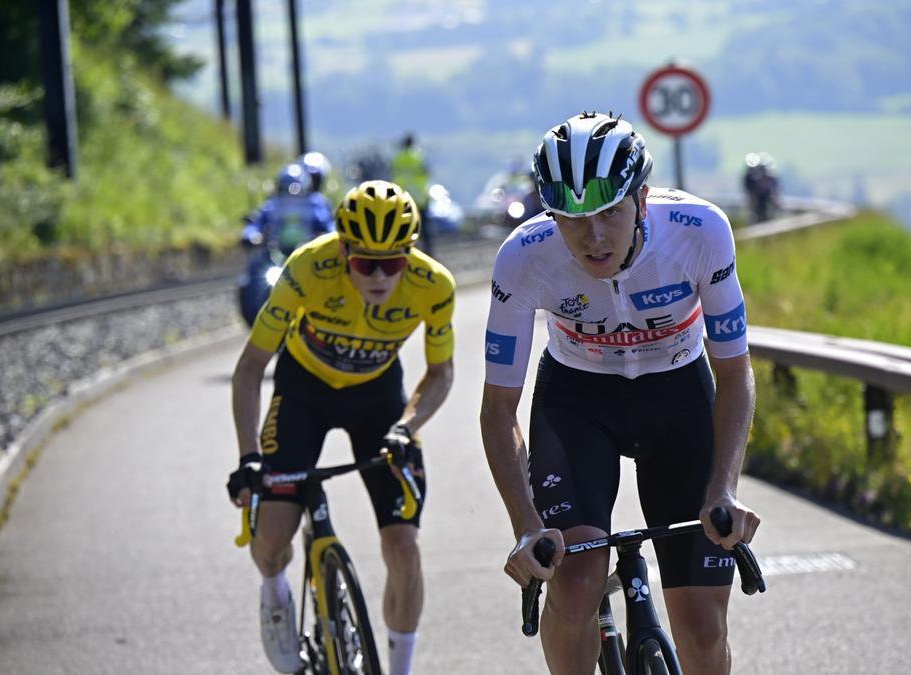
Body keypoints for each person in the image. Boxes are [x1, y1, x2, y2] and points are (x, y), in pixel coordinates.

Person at [480, 112, 758, 675]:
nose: (594, 235)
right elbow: (498, 408)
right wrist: (527, 526)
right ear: (551, 214)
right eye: (573, 219)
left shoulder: (700, 232)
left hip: (679, 395)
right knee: (576, 583)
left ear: (643, 200)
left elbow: (734, 373)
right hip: (577, 402)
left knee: (704, 630)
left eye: (610, 211)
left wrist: (723, 488)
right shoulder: (522, 257)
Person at [228, 180, 456, 674]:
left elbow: (441, 374)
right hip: (303, 391)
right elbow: (249, 369)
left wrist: (408, 425)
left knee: (404, 547)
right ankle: (274, 594)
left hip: (377, 399)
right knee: (271, 537)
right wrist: (248, 456)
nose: (378, 275)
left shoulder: (434, 286)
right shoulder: (308, 267)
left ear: (410, 256)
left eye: (392, 263)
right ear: (342, 249)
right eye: (364, 262)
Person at [237, 157, 338, 326]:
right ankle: (254, 318)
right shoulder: (271, 205)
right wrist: (252, 236)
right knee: (253, 276)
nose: (291, 193)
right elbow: (255, 224)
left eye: (296, 188)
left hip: (308, 256)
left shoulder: (315, 204)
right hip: (275, 255)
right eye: (286, 187)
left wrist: (327, 236)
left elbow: (330, 226)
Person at [391, 133, 434, 253]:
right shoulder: (419, 155)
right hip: (420, 197)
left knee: (405, 229)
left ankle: (406, 253)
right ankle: (428, 253)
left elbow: (394, 174)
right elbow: (427, 172)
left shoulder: (398, 158)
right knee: (424, 230)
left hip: (404, 198)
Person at [742, 152, 780, 223]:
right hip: (757, 208)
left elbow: (774, 197)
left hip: (767, 207)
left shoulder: (771, 180)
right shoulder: (752, 180)